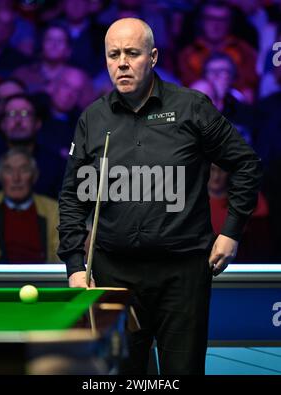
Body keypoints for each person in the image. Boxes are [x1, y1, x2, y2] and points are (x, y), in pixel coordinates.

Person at [57, 18, 262, 375]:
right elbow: (73, 198)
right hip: (113, 275)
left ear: (152, 57)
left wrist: (230, 231)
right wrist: (75, 266)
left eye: (132, 53)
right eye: (113, 54)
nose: (122, 62)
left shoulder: (191, 107)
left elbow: (246, 164)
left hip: (181, 275)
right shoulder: (93, 118)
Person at [0, 147, 59, 264]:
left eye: (24, 170)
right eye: (9, 171)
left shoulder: (54, 209)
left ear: (35, 176)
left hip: (43, 278)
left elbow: (61, 257)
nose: (16, 178)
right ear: (0, 176)